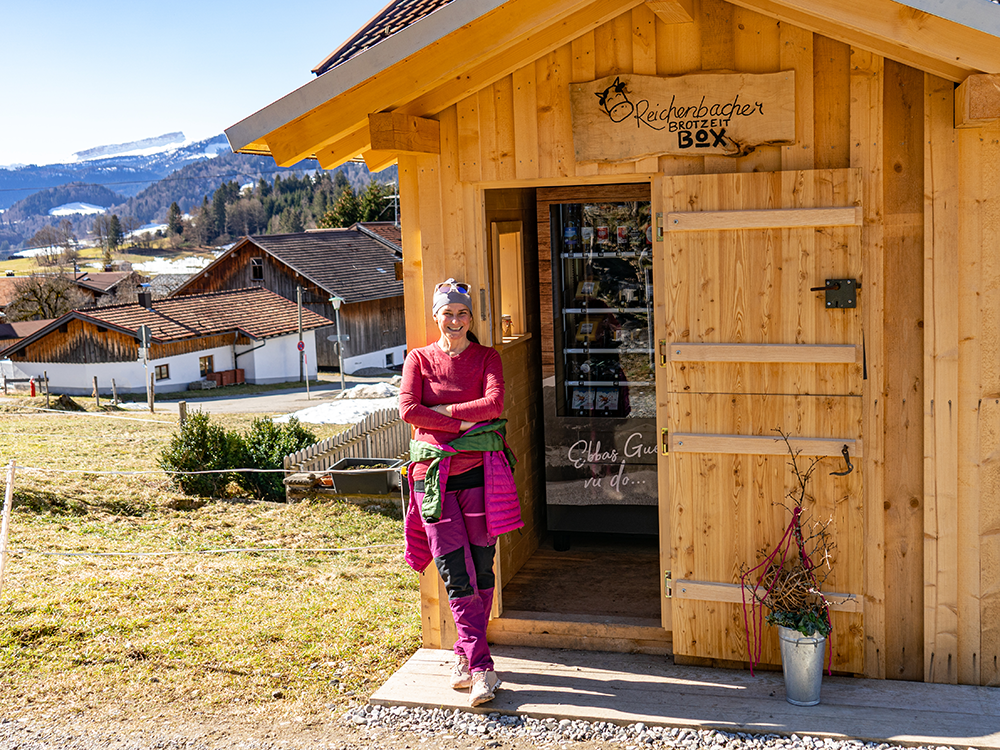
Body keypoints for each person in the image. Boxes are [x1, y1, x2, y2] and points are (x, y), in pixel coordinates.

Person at [399, 279, 523, 707]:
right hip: (432, 479)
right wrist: (464, 425)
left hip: (479, 477)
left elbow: (494, 405)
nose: (454, 321)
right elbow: (407, 411)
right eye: (447, 313)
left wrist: (441, 416)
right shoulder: (419, 359)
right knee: (455, 572)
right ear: (436, 316)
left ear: (472, 317)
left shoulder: (488, 357)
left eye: (462, 313)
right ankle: (482, 668)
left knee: (482, 568)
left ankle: (463, 655)